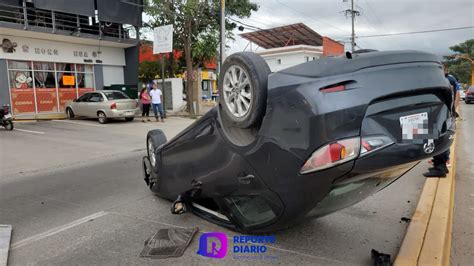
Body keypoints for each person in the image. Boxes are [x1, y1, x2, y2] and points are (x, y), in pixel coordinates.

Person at [423, 65, 460, 177]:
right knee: (440, 137)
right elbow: (455, 95)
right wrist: (453, 110)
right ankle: (440, 165)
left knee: (437, 138)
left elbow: (454, 95)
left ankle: (440, 168)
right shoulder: (449, 79)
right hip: (444, 112)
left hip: (440, 113)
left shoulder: (444, 80)